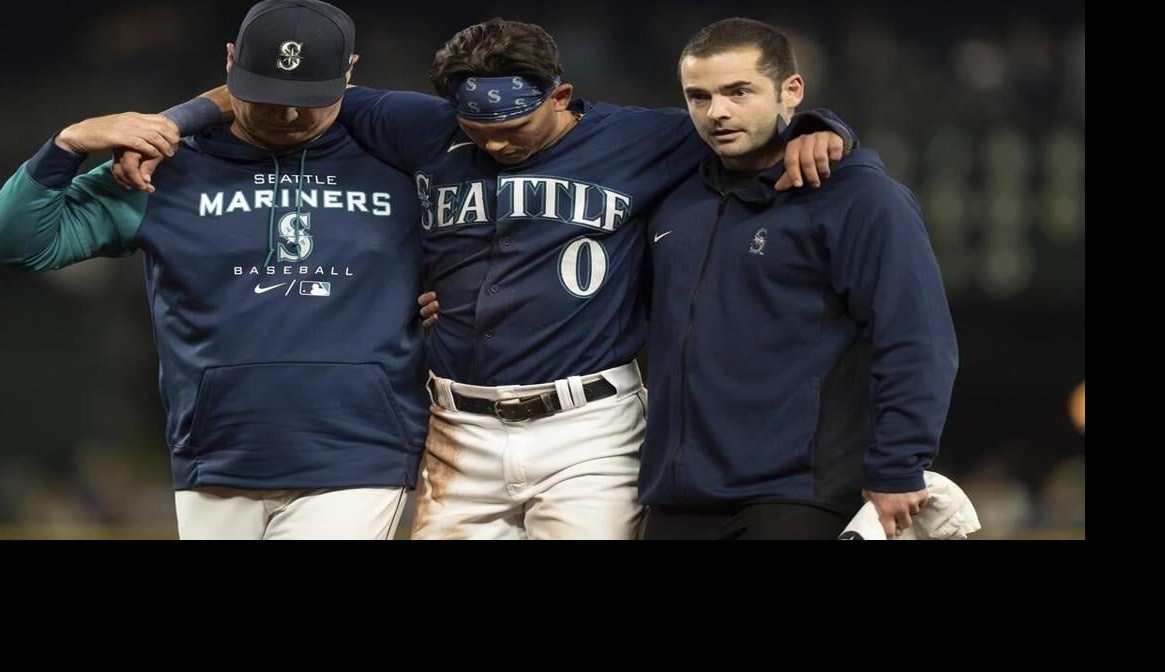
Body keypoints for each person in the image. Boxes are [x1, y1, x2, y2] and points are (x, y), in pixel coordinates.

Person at [119, 18, 853, 540]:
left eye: (515, 126)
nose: (495, 141)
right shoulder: (422, 124)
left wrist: (825, 125)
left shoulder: (639, 138)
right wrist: (169, 122)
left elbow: (747, 122)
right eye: (478, 130)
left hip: (589, 425)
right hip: (456, 424)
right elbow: (277, 90)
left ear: (560, 97)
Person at [0, 0, 428, 540]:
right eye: (269, 96)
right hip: (216, 456)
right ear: (231, 59)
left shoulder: (400, 159)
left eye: (307, 99)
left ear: (349, 72)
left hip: (363, 453)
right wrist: (67, 144)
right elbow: (12, 243)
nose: (287, 115)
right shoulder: (164, 166)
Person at [638, 18, 959, 540]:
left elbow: (916, 340)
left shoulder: (858, 198)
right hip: (676, 500)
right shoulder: (674, 198)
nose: (717, 111)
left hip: (798, 497)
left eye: (739, 91)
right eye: (698, 96)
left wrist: (900, 464)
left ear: (791, 90)